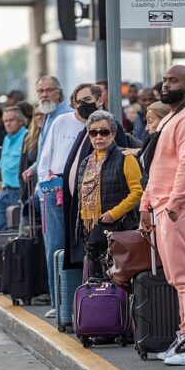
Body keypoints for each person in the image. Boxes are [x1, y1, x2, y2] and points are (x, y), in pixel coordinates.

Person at [139, 65, 185, 367]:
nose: (166, 84)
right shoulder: (173, 117)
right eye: (165, 80)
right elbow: (157, 167)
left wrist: (173, 204)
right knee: (175, 277)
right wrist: (147, 205)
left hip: (180, 208)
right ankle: (184, 335)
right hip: (164, 207)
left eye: (174, 80)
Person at [36, 83, 101, 316]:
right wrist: (46, 186)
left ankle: (87, 303)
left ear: (98, 101)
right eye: (79, 100)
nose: (82, 104)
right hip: (57, 191)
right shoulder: (61, 122)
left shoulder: (101, 124)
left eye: (87, 100)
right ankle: (59, 302)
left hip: (90, 192)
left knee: (86, 247)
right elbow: (45, 158)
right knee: (55, 245)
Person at [76, 110, 143, 278]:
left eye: (104, 132)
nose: (98, 137)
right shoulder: (86, 162)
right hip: (91, 233)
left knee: (119, 282)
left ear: (113, 134)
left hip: (118, 230)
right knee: (97, 285)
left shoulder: (126, 158)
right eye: (93, 132)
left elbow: (137, 192)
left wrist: (113, 214)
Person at [22, 75, 73, 183]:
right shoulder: (48, 115)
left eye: (49, 90)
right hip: (47, 185)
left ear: (59, 93)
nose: (44, 95)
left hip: (60, 184)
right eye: (40, 91)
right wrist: (34, 168)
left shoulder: (68, 116)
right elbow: (45, 153)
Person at [0, 106, 28, 234]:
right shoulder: (6, 138)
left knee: (16, 231)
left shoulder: (27, 136)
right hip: (4, 190)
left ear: (20, 121)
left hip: (18, 191)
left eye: (11, 120)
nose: (7, 123)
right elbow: (5, 164)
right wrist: (2, 182)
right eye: (5, 121)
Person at [19, 104, 43, 223]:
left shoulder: (53, 132)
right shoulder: (29, 136)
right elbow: (22, 166)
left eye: (42, 114)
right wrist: (22, 195)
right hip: (31, 190)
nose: (39, 117)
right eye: (37, 114)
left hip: (47, 188)